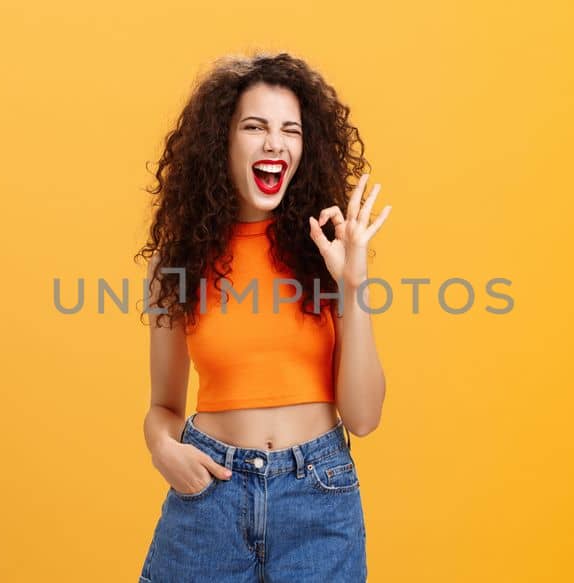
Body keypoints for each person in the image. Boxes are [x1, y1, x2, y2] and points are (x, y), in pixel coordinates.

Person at [136, 52, 392, 582]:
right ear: (222, 141)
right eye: (255, 127)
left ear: (305, 148)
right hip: (210, 498)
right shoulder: (177, 263)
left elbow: (363, 418)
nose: (274, 142)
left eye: (290, 131)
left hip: (318, 500)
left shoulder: (326, 251)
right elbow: (163, 405)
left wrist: (352, 285)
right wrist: (163, 448)